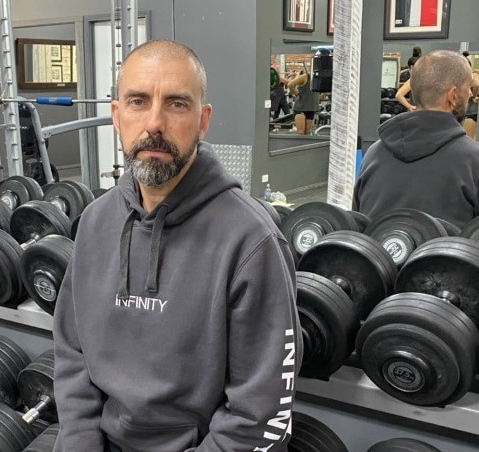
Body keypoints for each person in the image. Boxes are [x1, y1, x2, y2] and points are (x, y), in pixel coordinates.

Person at [53, 40, 302, 452]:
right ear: (117, 116)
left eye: (176, 104)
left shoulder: (251, 242)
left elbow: (258, 416)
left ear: (203, 121)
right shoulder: (95, 223)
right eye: (137, 101)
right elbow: (72, 354)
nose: (154, 122)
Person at [353, 50, 479, 229]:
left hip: (380, 256)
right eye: (468, 88)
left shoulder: (374, 154)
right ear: (453, 96)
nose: (470, 95)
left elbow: (359, 230)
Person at [287, 68, 321, 135]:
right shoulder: (306, 76)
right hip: (301, 108)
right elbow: (290, 84)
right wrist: (296, 95)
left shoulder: (319, 78)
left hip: (311, 108)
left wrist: (319, 96)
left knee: (306, 133)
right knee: (301, 133)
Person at [462, 51, 479, 139]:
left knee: (467, 139)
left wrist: (472, 96)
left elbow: (477, 85)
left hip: (469, 110)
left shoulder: (473, 76)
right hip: (462, 109)